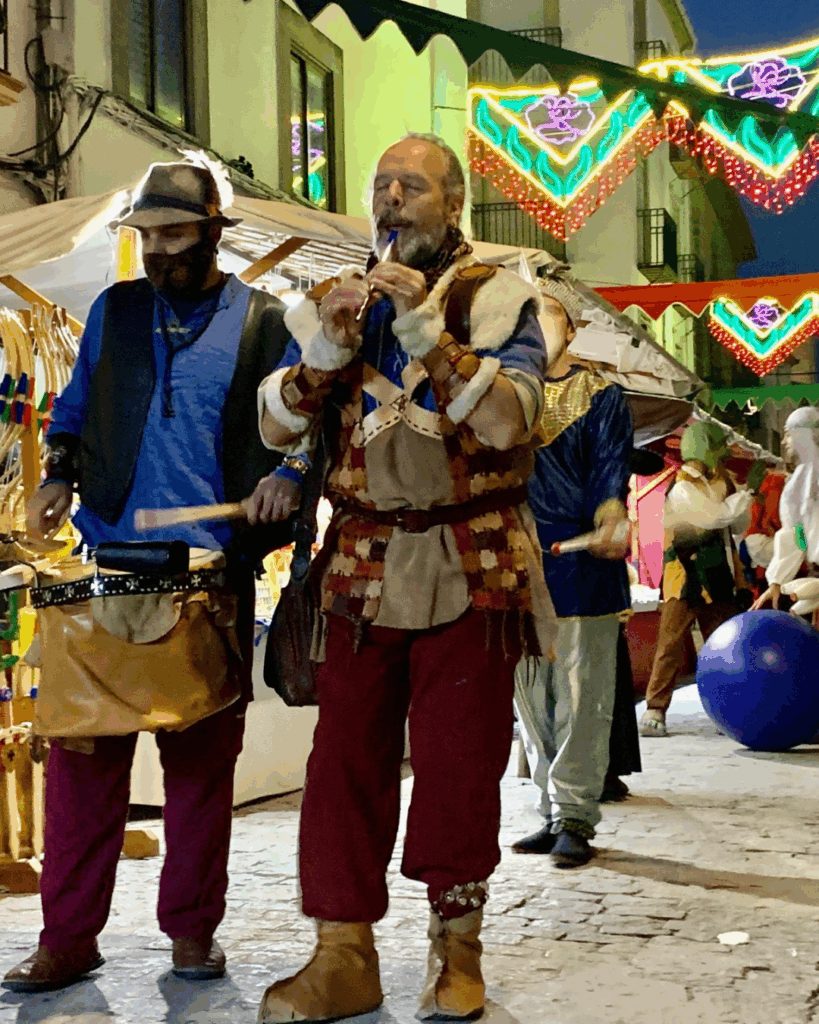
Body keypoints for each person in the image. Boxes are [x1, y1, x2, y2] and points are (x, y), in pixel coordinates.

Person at [254, 133, 555, 1023]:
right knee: (342, 761)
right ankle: (341, 955)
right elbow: (276, 427)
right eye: (381, 184)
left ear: (452, 203)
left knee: (460, 764)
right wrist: (324, 355)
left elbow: (509, 423)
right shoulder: (336, 301)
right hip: (360, 563)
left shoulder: (501, 296)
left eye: (412, 186)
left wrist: (426, 328)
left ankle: (453, 954)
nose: (391, 199)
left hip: (474, 559)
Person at [3, 156, 303, 994]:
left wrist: (290, 477)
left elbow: (297, 429)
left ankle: (192, 934)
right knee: (82, 768)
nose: (159, 251)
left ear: (213, 232)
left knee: (201, 775)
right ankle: (68, 937)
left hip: (210, 574)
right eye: (148, 236)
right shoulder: (115, 310)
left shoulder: (264, 323)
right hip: (110, 565)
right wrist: (60, 472)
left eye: (174, 234)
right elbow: (74, 408)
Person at [510, 265, 633, 867]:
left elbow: (611, 469)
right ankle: (549, 809)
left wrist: (611, 514)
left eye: (544, 314)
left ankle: (576, 815)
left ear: (572, 326)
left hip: (581, 563)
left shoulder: (601, 394)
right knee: (531, 698)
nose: (533, 327)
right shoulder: (503, 394)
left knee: (582, 695)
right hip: (518, 563)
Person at [639, 422, 752, 738]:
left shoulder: (720, 483)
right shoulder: (684, 486)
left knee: (726, 645)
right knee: (671, 644)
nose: (724, 453)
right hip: (685, 576)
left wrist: (741, 493)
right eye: (718, 446)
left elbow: (738, 525)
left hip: (718, 576)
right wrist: (744, 495)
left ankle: (730, 708)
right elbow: (714, 518)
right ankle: (655, 709)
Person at [753, 407, 819, 625]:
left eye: (788, 434)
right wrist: (777, 581)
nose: (784, 442)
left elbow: (796, 534)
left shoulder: (799, 482)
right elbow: (798, 534)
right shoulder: (798, 481)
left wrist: (778, 580)